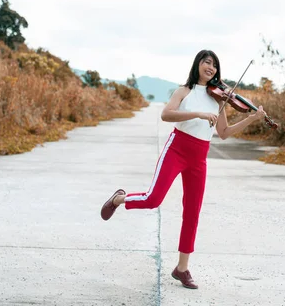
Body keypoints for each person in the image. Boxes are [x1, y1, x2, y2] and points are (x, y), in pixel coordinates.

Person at [100, 49, 266, 289]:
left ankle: (182, 268)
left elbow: (224, 133)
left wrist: (252, 118)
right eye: (207, 62)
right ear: (197, 64)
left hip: (199, 158)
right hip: (177, 149)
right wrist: (198, 114)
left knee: (192, 212)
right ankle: (118, 199)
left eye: (215, 65)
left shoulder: (219, 98)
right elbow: (166, 114)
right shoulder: (183, 91)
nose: (211, 68)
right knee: (153, 199)